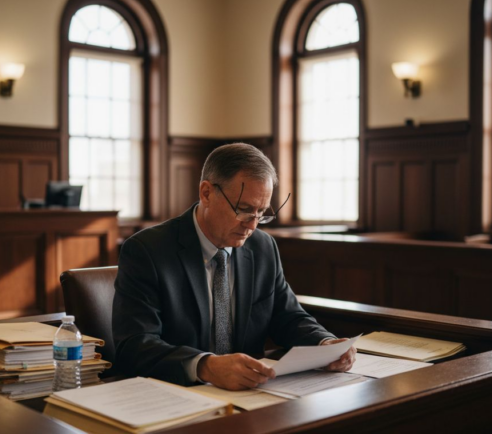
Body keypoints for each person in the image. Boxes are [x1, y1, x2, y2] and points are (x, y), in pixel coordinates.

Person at [113, 143, 355, 391]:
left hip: (251, 392)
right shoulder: (147, 250)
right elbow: (134, 346)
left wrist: (325, 344)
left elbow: (288, 316)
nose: (252, 225)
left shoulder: (262, 247)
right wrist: (204, 366)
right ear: (206, 193)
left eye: (261, 212)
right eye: (244, 210)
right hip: (178, 393)